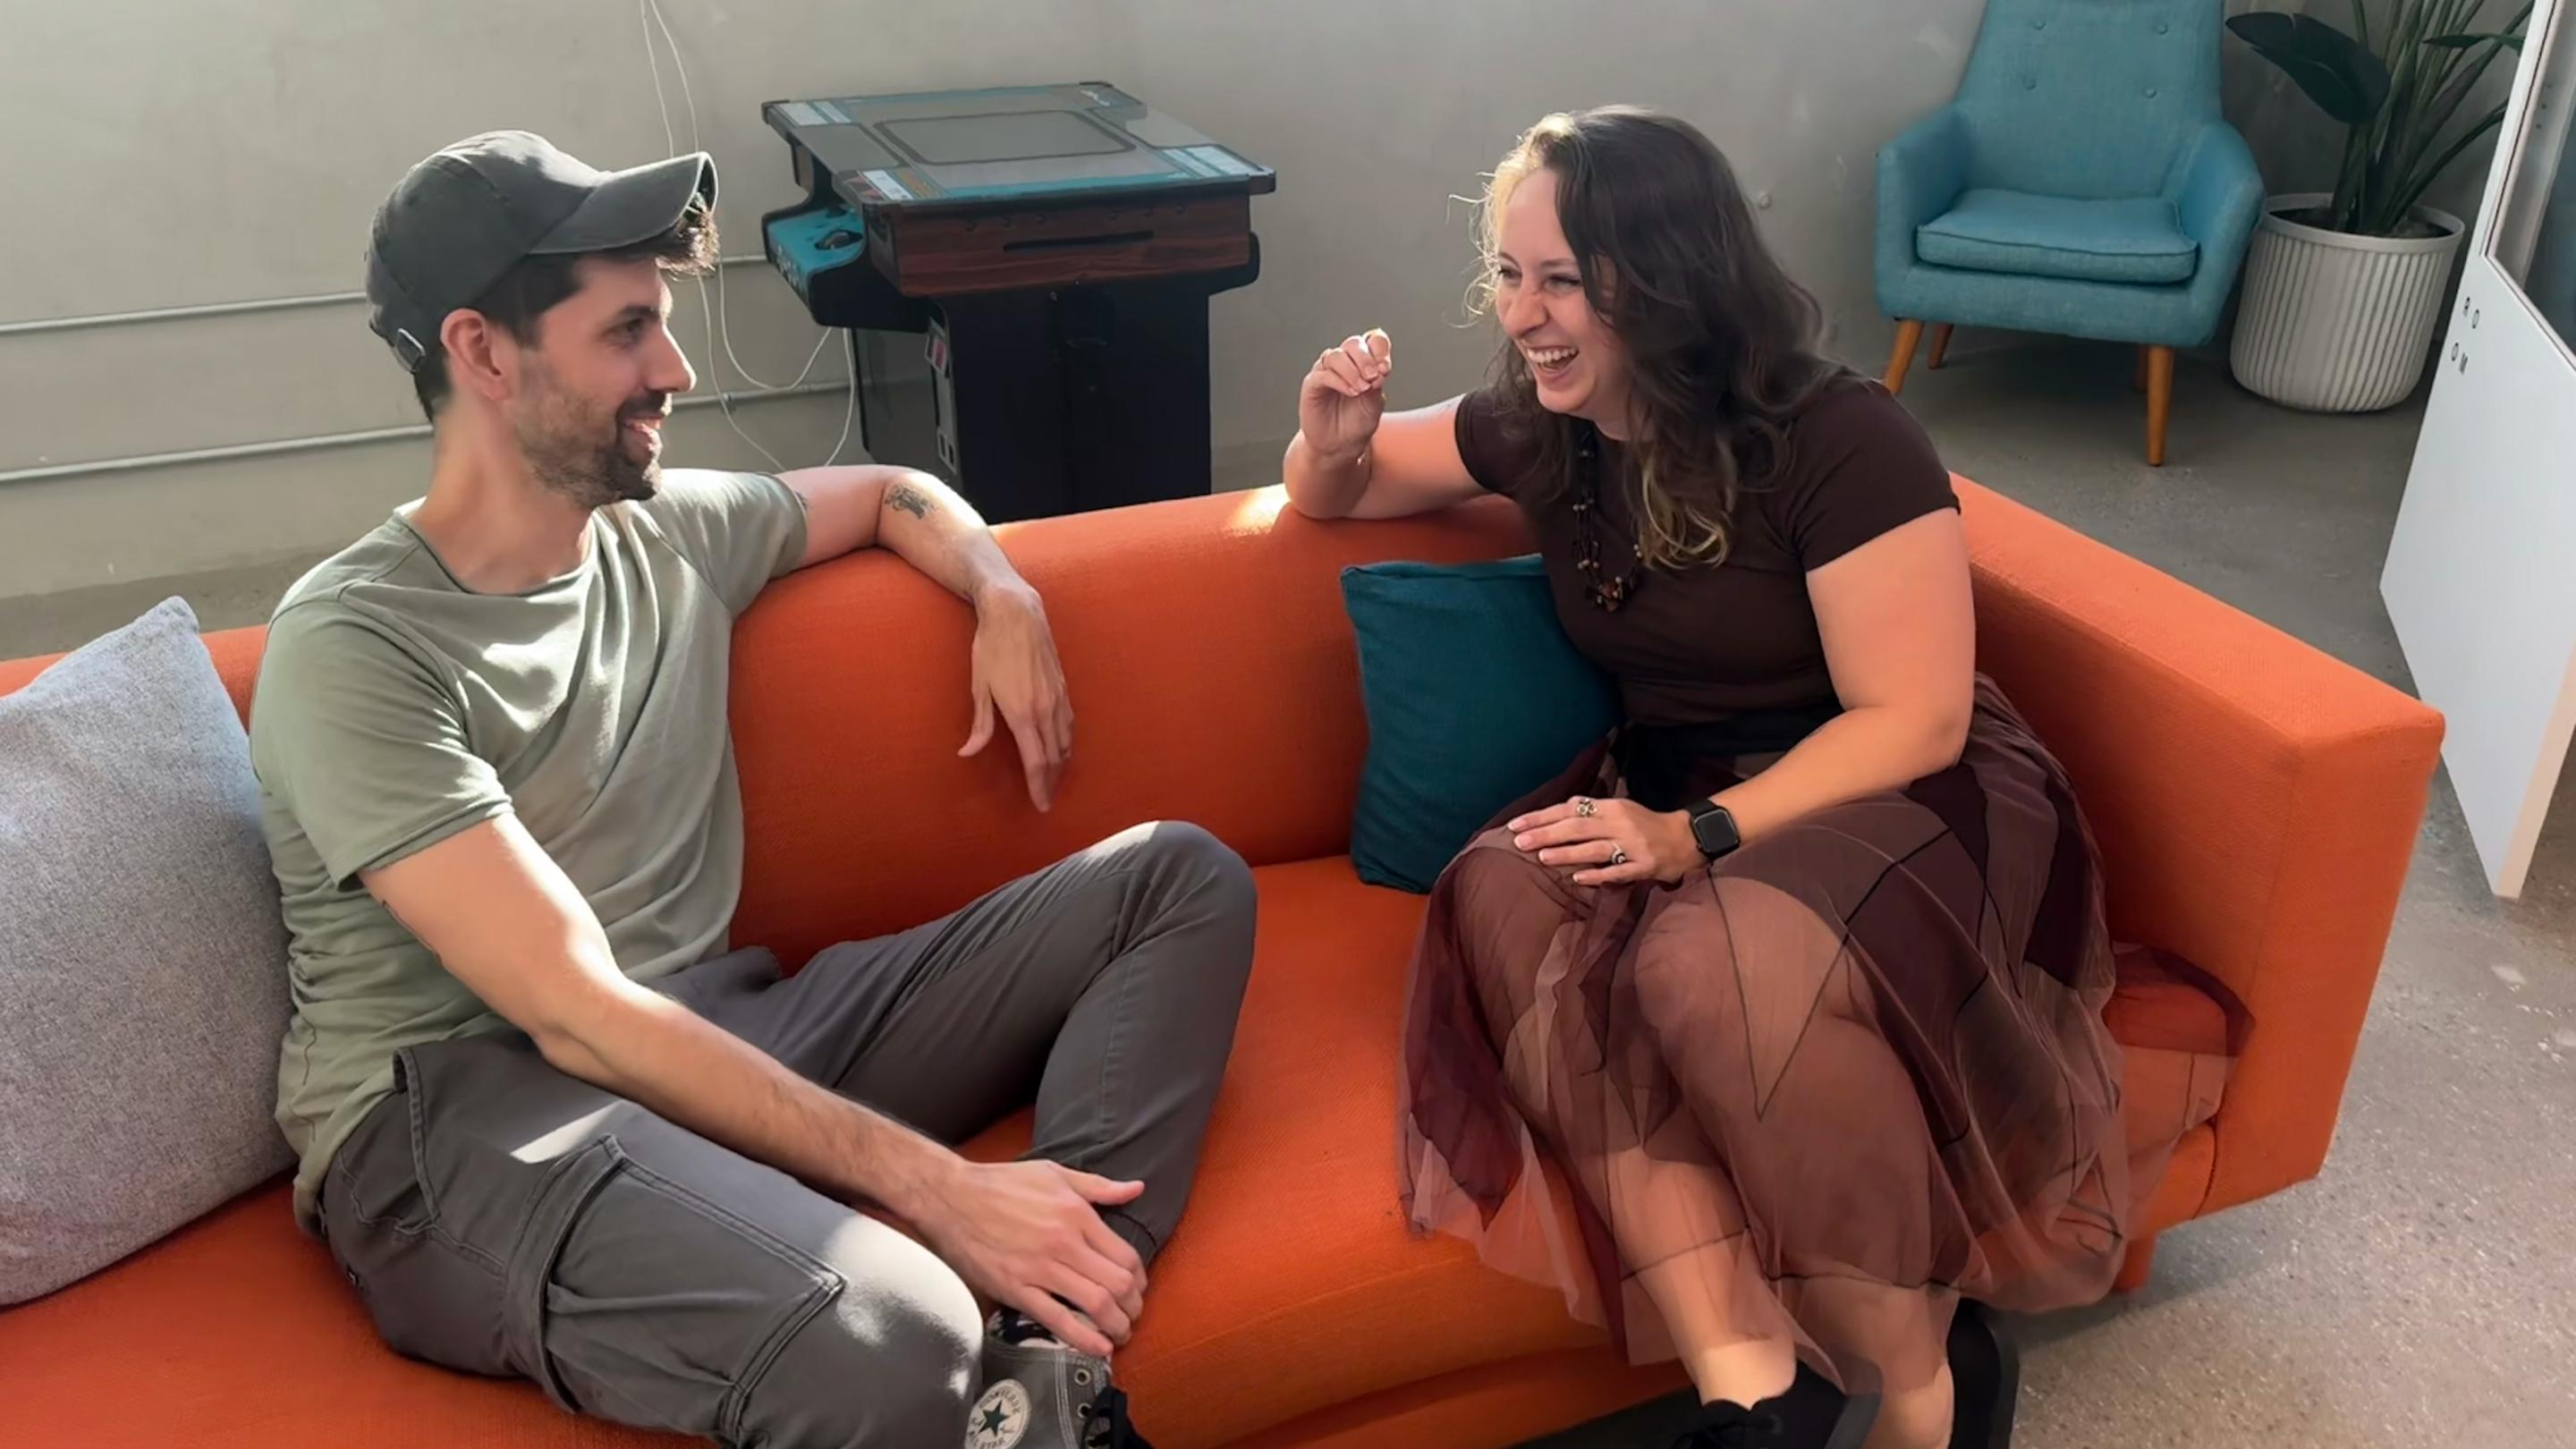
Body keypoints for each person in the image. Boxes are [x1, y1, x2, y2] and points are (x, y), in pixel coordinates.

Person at [249, 131, 1255, 1449]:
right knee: (890, 1337)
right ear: (484, 353)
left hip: (714, 1032)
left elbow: (896, 491)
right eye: (628, 332)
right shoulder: (354, 645)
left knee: (1177, 877)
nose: (675, 370)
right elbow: (576, 1015)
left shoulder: (668, 531)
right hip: (467, 1117)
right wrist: (944, 1191)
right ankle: (996, 1379)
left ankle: (1039, 1383)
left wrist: (1001, 588)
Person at [1284, 108, 2184, 1449]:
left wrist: (1691, 838)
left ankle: (1931, 1385)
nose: (1523, 316)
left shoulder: (1840, 437)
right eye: (1509, 275)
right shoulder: (1547, 425)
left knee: (1697, 972)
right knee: (1503, 888)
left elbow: (1917, 718)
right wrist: (1332, 434)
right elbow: (1331, 495)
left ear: (1664, 280)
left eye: (1561, 282)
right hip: (1685, 783)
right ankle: (1752, 1385)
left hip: (1891, 798)